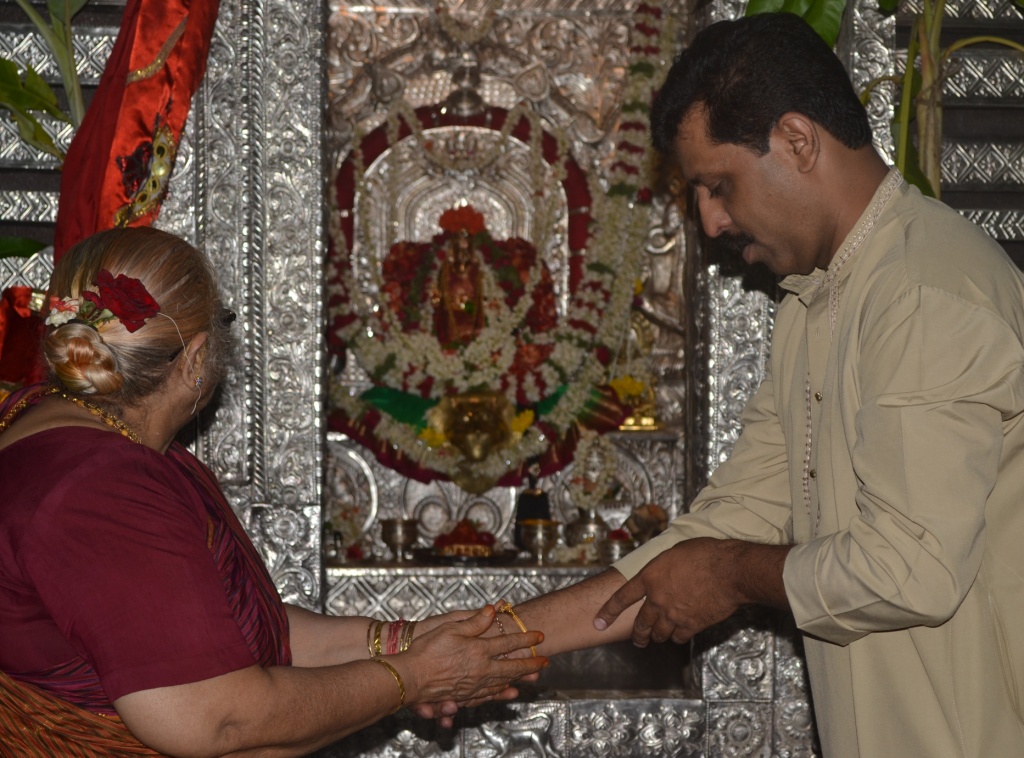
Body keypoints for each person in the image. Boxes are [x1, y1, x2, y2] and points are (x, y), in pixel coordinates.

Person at [496, 13, 1024, 758]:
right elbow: (727, 524)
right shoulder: (817, 304)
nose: (710, 221)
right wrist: (497, 643)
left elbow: (910, 570)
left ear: (799, 141)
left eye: (718, 185)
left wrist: (730, 575)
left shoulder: (923, 291)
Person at [0, 226, 547, 757]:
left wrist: (401, 641)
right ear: (195, 358)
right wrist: (417, 677)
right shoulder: (101, 484)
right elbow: (216, 717)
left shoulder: (55, 433)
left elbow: (227, 632)